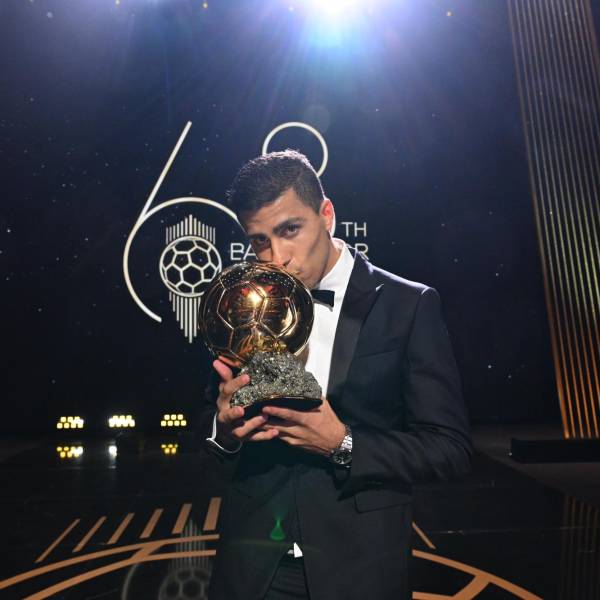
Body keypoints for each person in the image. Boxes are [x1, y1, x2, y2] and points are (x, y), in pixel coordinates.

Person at [201, 150, 472, 600]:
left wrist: (342, 443)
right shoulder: (243, 307)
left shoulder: (409, 305)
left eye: (290, 230)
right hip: (252, 567)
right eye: (260, 241)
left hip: (358, 569)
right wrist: (224, 430)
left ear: (326, 215)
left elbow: (449, 449)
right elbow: (207, 433)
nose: (277, 258)